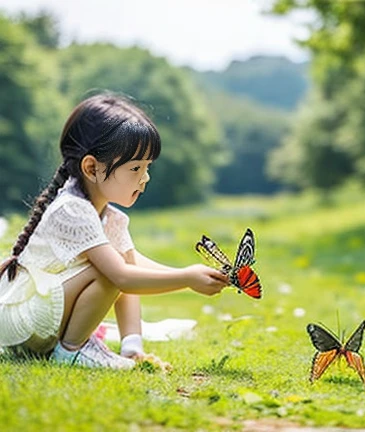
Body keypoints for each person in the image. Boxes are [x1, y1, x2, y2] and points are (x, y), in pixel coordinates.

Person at [0, 93, 228, 369]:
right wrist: (186, 278)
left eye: (147, 167)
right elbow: (121, 276)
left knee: (121, 264)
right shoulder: (72, 208)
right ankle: (72, 349)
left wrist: (191, 274)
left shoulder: (112, 218)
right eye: (135, 168)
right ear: (92, 167)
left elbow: (133, 266)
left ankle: (121, 347)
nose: (145, 178)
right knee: (112, 270)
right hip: (24, 321)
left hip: (41, 318)